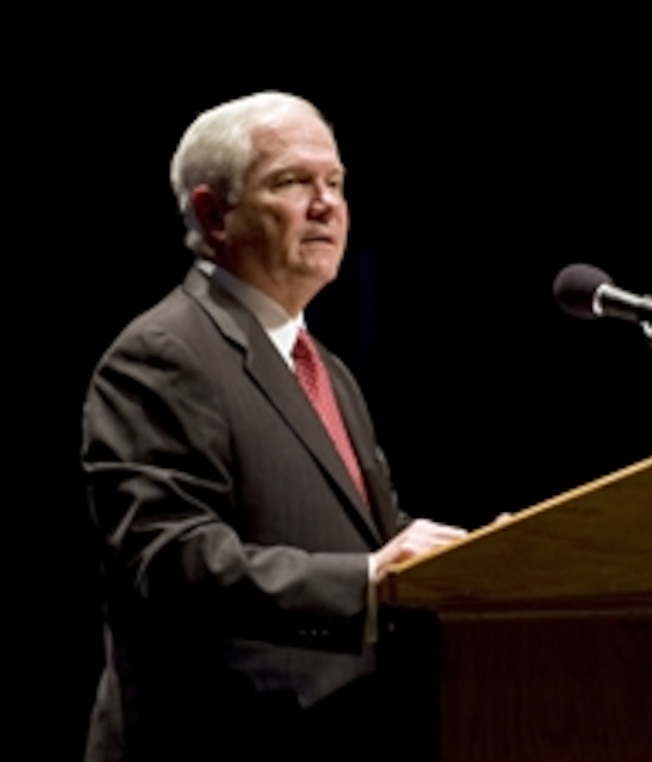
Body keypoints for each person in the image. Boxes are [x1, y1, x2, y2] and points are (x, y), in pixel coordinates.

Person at [82, 92, 467, 761]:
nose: (326, 205)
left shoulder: (326, 369)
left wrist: (475, 559)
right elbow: (171, 560)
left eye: (336, 183)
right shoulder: (163, 353)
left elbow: (367, 533)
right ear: (212, 213)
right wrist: (366, 581)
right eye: (292, 182)